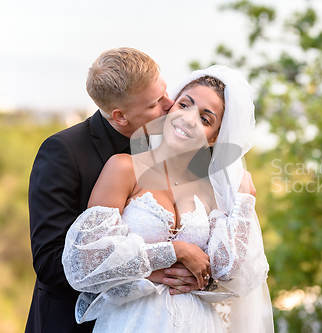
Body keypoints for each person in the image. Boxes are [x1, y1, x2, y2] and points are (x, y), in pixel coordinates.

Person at [62, 66, 274, 332]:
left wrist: (244, 201)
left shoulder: (211, 191)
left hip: (199, 324)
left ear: (214, 138)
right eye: (184, 105)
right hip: (132, 323)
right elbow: (85, 263)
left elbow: (232, 274)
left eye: (206, 119)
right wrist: (176, 251)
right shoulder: (124, 168)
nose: (188, 119)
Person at [26, 47, 199, 333]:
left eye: (166, 91)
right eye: (155, 103)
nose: (171, 105)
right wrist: (152, 266)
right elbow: (49, 262)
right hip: (72, 323)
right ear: (120, 116)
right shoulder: (63, 152)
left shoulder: (165, 144)